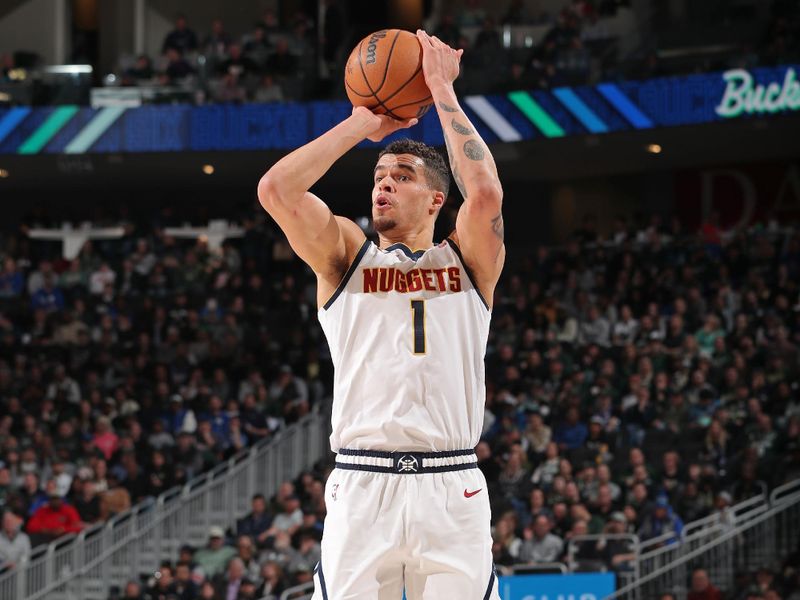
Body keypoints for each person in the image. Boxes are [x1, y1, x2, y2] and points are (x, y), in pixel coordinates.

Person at [258, 29, 504, 600]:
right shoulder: (346, 254)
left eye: (402, 177)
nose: (384, 184)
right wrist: (364, 123)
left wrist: (441, 89)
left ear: (436, 199)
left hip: (452, 485)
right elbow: (277, 191)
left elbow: (486, 194)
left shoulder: (468, 260)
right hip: (363, 481)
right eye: (379, 177)